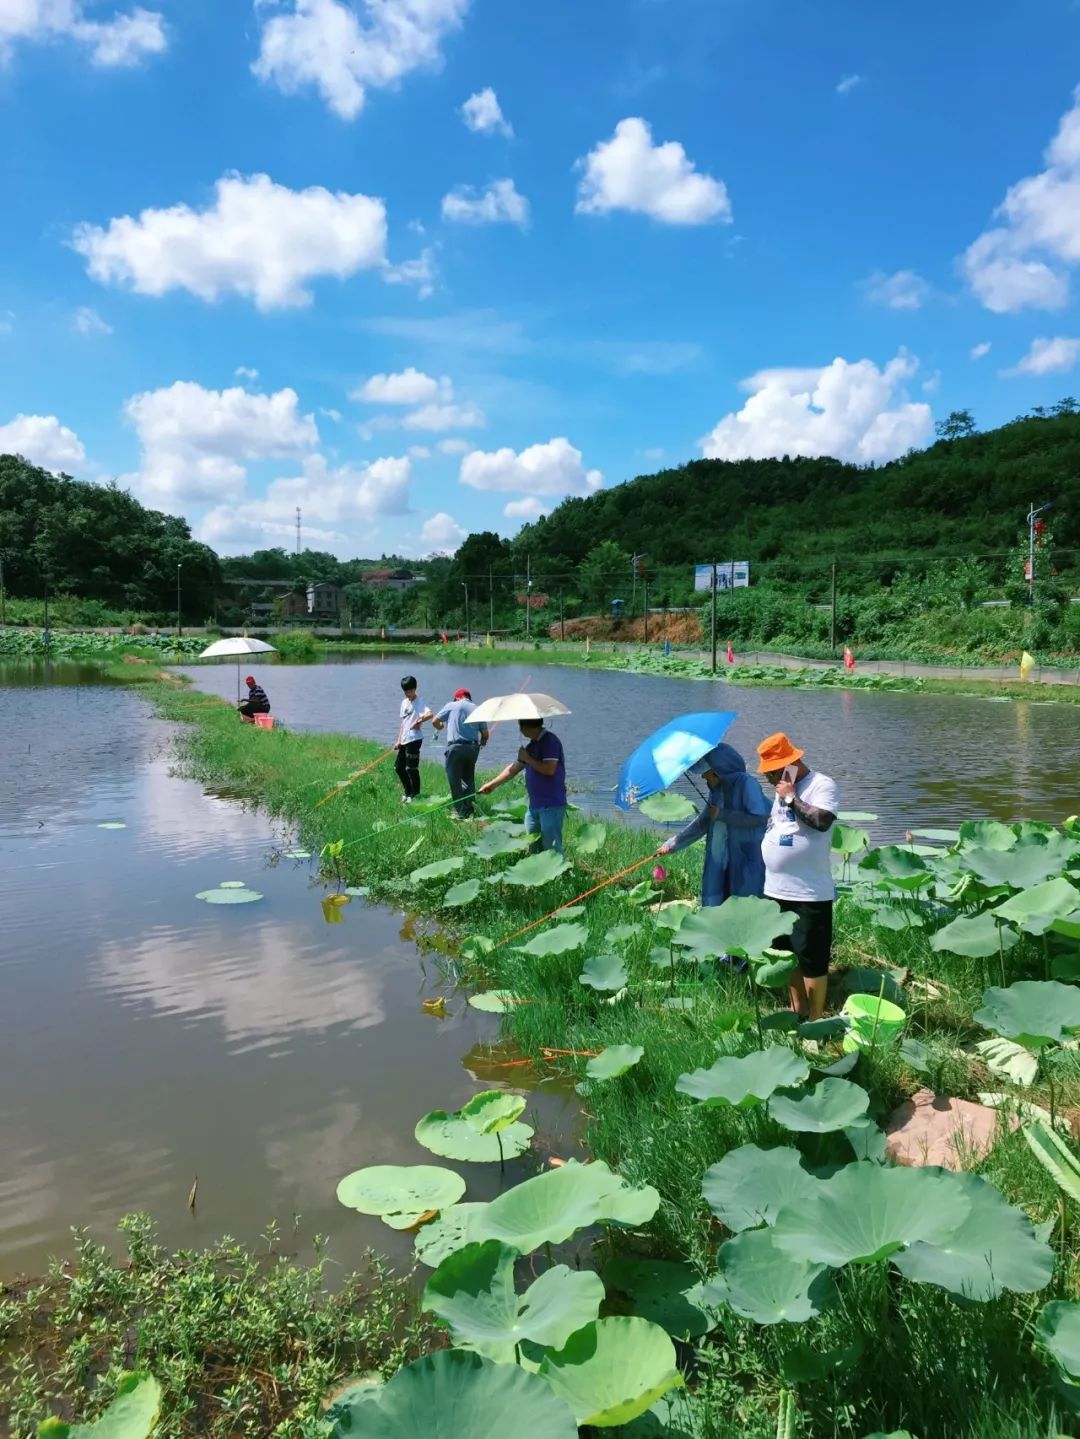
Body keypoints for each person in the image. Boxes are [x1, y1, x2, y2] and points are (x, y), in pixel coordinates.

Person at [757, 732, 840, 1021]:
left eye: (772, 772)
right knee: (785, 952)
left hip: (808, 891)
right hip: (775, 887)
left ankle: (816, 1019)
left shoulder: (822, 784)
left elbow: (822, 821)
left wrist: (792, 798)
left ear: (790, 763)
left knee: (812, 958)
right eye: (767, 774)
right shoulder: (782, 788)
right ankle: (798, 1008)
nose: (769, 779)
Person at [656, 743, 769, 904]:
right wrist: (672, 844)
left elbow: (759, 817)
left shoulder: (747, 784)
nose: (703, 777)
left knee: (746, 899)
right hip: (724, 857)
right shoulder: (717, 792)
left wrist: (723, 814)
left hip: (748, 855)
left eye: (706, 773)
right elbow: (702, 824)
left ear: (718, 771)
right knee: (719, 897)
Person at [478, 718, 567, 854]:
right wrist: (492, 784)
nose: (520, 730)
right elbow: (514, 769)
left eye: (520, 726)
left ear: (526, 727)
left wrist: (528, 758)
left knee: (552, 848)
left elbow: (549, 769)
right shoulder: (532, 746)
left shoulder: (550, 741)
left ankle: (559, 867)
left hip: (551, 805)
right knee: (532, 845)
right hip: (534, 805)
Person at [432, 688, 489, 818]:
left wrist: (440, 726)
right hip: (472, 748)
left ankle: (460, 812)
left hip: (455, 748)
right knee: (468, 779)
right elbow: (485, 734)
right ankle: (470, 809)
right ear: (468, 697)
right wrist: (482, 743)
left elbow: (435, 721)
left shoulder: (451, 705)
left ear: (457, 698)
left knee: (455, 780)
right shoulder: (477, 709)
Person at [394, 675, 431, 803]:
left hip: (414, 739)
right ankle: (408, 792)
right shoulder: (404, 702)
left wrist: (419, 721)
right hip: (404, 739)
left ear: (415, 689)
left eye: (410, 691)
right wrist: (398, 740)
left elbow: (430, 714)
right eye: (406, 691)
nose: (408, 693)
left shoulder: (419, 702)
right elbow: (403, 723)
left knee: (411, 768)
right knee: (398, 767)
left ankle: (415, 795)